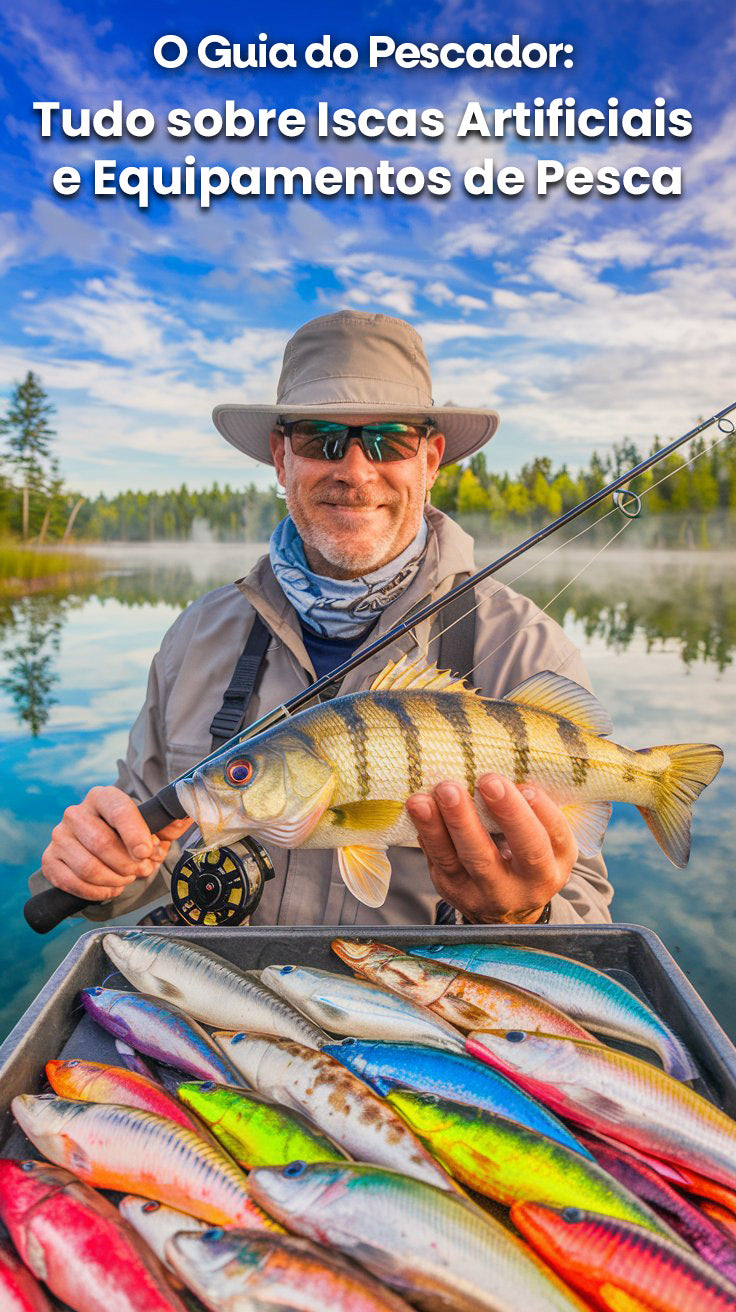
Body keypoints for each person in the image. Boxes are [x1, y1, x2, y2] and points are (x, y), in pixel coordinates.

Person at [32, 310, 612, 926]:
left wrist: (527, 913)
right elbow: (140, 850)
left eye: (389, 440)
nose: (355, 471)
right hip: (221, 985)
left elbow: (588, 913)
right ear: (282, 458)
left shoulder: (525, 645)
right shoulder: (197, 635)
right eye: (320, 437)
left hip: (413, 990)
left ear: (430, 460)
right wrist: (95, 868)